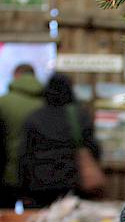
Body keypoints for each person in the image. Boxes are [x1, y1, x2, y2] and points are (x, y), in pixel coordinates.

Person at [18, 73, 101, 207]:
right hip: (72, 181)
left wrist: (23, 190)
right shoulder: (80, 116)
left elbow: (25, 156)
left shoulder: (34, 118)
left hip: (39, 184)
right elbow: (93, 149)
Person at [0, 64, 44, 208]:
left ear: (16, 76)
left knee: (5, 221)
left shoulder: (3, 102)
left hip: (7, 174)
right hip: (37, 176)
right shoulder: (45, 105)